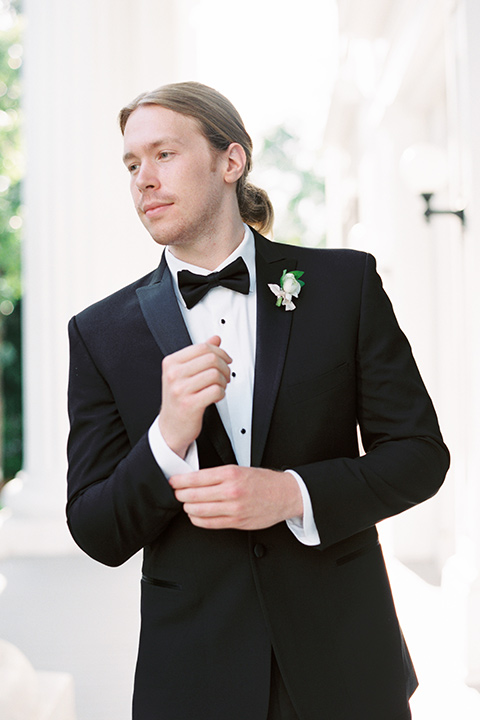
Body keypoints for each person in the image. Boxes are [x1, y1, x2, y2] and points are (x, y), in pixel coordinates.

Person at [66, 81, 449, 720]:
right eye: (132, 164)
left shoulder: (344, 286)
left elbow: (419, 456)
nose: (143, 179)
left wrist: (291, 494)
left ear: (231, 161)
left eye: (163, 155)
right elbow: (96, 528)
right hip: (193, 681)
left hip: (346, 666)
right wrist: (167, 437)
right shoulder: (100, 333)